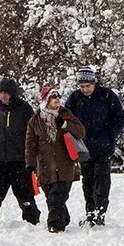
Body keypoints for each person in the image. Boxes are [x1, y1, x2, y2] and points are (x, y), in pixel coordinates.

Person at [65, 66, 124, 226]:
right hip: (83, 148)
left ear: (94, 83)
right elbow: (65, 117)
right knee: (87, 182)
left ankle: (100, 213)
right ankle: (90, 213)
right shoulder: (75, 98)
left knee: (102, 181)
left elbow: (119, 117)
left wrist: (111, 135)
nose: (85, 89)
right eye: (82, 86)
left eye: (88, 86)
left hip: (103, 147)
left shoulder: (107, 95)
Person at [0, 78, 40, 224]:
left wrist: (33, 157)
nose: (3, 96)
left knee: (25, 195)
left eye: (7, 93)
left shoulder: (24, 108)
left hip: (20, 160)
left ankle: (32, 221)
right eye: (1, 93)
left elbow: (33, 134)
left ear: (13, 94)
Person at [26, 86, 86, 233]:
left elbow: (81, 132)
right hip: (45, 166)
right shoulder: (35, 120)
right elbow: (30, 144)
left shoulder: (66, 114)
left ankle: (55, 225)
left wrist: (65, 124)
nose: (57, 99)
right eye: (53, 97)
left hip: (65, 164)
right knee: (51, 197)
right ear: (46, 100)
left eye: (58, 96)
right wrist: (30, 163)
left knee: (57, 195)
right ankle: (63, 218)